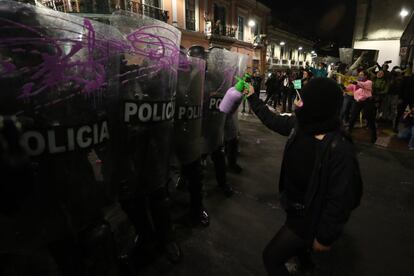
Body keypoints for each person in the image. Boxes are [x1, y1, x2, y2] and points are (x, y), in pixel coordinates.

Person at [244, 78, 362, 276]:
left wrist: (325, 237)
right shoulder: (300, 125)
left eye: (303, 99)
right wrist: (252, 96)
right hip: (294, 206)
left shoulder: (339, 148)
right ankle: (306, 263)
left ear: (316, 105)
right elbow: (272, 120)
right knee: (300, 252)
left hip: (308, 217)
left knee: (271, 258)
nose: (297, 102)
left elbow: (341, 198)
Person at [347, 70, 377, 143]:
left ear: (366, 76)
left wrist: (354, 82)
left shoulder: (369, 82)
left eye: (361, 75)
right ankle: (348, 132)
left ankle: (374, 135)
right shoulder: (356, 82)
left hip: (367, 101)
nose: (360, 76)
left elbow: (362, 84)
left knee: (369, 118)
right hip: (357, 102)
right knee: (353, 117)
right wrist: (342, 86)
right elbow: (348, 88)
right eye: (359, 74)